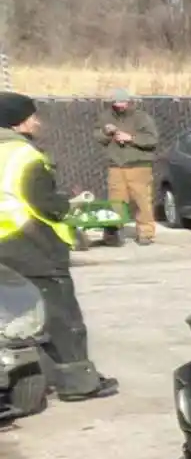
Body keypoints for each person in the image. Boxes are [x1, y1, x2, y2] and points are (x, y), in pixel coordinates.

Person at [0, 92, 118, 400]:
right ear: (18, 122)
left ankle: (35, 376)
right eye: (32, 116)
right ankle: (79, 384)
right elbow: (45, 204)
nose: (37, 121)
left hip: (4, 248)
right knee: (62, 317)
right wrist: (69, 205)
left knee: (17, 315)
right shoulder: (24, 157)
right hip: (32, 245)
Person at [96, 86, 160, 244]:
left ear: (129, 102)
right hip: (116, 165)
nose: (120, 105)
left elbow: (152, 140)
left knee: (142, 200)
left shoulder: (142, 118)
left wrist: (131, 138)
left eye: (123, 102)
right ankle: (113, 232)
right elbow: (97, 136)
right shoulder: (106, 117)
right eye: (116, 102)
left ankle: (145, 232)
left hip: (138, 166)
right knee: (116, 201)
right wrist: (106, 132)